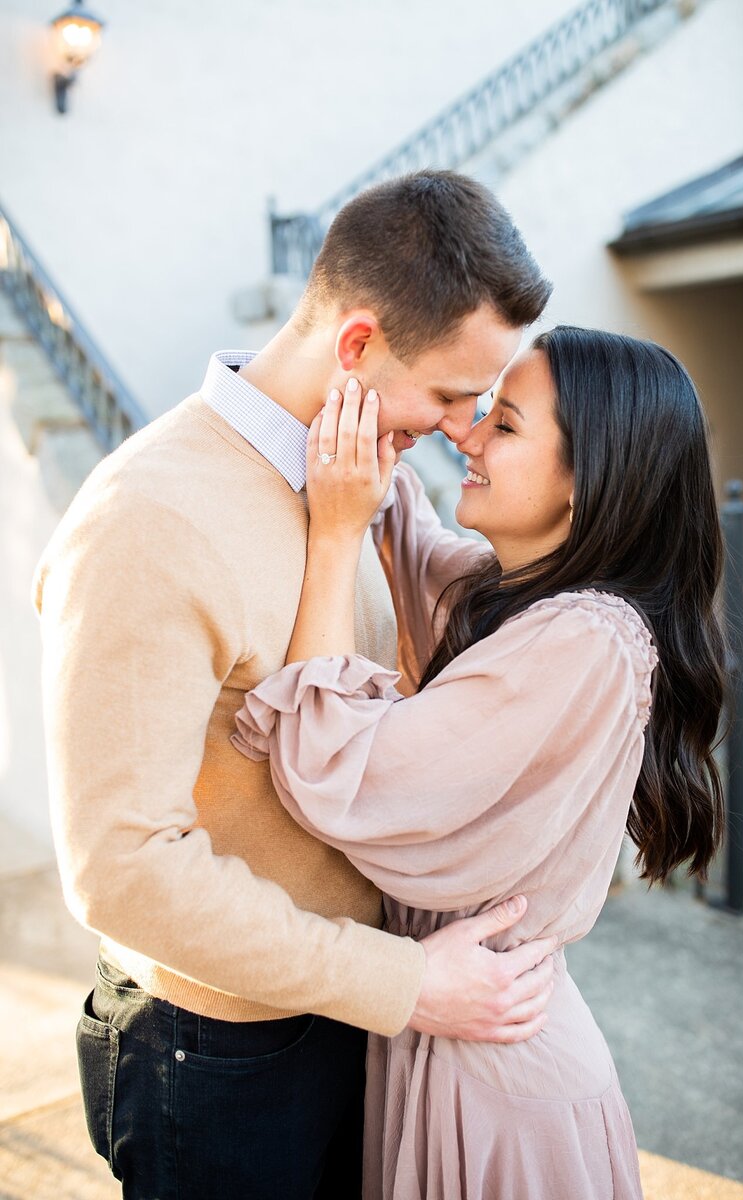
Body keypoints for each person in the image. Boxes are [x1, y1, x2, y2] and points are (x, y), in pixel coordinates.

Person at [33, 172, 557, 1200]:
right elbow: (122, 870)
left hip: (340, 1018)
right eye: (451, 393)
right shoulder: (150, 519)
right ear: (356, 343)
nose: (461, 427)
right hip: (216, 1057)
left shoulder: (355, 482)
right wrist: (408, 986)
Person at [232, 326, 728, 1199]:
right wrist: (349, 397)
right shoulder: (526, 604)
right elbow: (417, 548)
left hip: (497, 1079)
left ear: (588, 481)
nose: (467, 435)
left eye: (504, 425)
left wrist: (332, 538)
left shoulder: (588, 641)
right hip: (451, 1034)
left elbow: (340, 772)